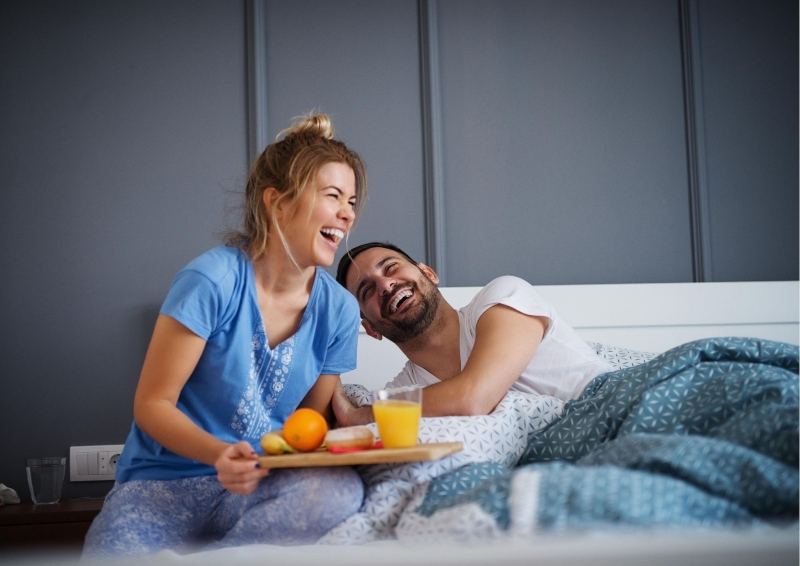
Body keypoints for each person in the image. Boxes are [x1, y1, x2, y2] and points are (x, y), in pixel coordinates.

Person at [83, 113, 367, 557]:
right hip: (165, 484)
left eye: (352, 201)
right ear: (278, 203)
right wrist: (219, 455)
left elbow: (304, 428)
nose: (347, 214)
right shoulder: (211, 280)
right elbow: (152, 404)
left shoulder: (341, 311)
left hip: (258, 484)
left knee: (338, 493)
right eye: (333, 196)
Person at [331, 242, 612, 425]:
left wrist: (361, 416)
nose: (386, 284)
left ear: (428, 273)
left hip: (616, 408)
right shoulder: (401, 395)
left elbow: (474, 396)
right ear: (370, 328)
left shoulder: (502, 296)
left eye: (391, 267)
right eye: (368, 290)